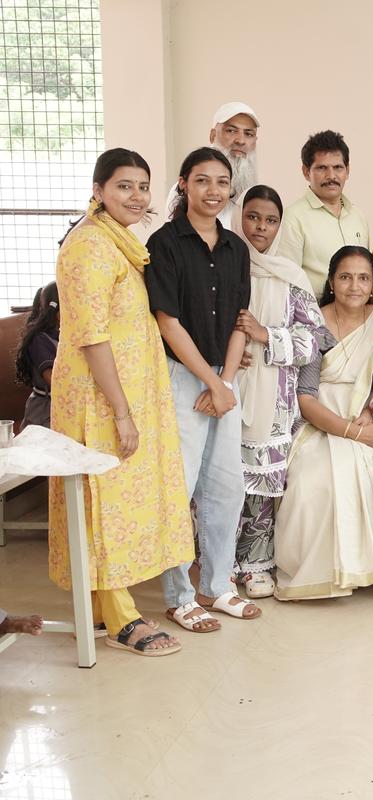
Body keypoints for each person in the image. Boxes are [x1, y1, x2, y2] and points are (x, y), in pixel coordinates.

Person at [50, 147, 193, 656]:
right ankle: (122, 620)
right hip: (99, 401)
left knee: (113, 501)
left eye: (141, 186)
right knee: (104, 503)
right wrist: (121, 410)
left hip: (121, 396)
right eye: (123, 186)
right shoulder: (88, 247)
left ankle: (106, 609)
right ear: (98, 190)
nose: (136, 196)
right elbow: (91, 337)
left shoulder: (119, 243)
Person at [147, 146, 260, 631]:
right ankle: (178, 595)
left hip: (225, 376)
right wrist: (212, 381)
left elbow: (241, 319)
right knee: (181, 487)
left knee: (226, 487)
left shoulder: (236, 248)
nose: (213, 190)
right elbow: (167, 321)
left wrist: (226, 382)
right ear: (183, 184)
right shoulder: (166, 242)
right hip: (182, 376)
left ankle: (217, 587)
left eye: (221, 182)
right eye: (202, 181)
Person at [274, 246, 373, 600]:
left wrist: (370, 416)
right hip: (317, 421)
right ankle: (309, 571)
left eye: (362, 278)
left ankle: (354, 568)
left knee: (354, 466)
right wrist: (354, 432)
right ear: (331, 281)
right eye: (345, 277)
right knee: (310, 478)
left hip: (368, 418)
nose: (354, 286)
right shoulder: (314, 323)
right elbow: (305, 398)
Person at [230, 185, 323, 598]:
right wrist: (227, 356)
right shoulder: (223, 264)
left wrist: (265, 335)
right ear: (239, 218)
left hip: (274, 396)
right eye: (252, 217)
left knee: (262, 482)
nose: (260, 227)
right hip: (221, 386)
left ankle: (254, 565)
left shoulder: (290, 274)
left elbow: (315, 340)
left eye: (270, 220)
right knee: (220, 481)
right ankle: (216, 566)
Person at [277, 130, 371, 298]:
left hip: (357, 317)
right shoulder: (293, 218)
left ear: (347, 170)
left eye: (338, 168)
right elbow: (287, 284)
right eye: (322, 168)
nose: (331, 176)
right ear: (306, 172)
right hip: (314, 318)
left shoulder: (358, 217)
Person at [164, 102, 260, 229]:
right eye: (231, 131)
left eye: (248, 134)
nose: (240, 141)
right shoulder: (187, 189)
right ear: (213, 135)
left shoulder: (255, 192)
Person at [15, 281, 58, 429]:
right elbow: (52, 380)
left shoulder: (67, 335)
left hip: (63, 406)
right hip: (44, 410)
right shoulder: (39, 339)